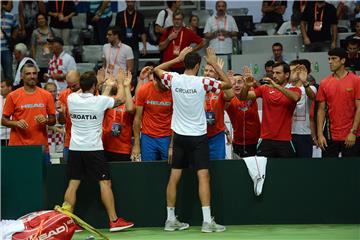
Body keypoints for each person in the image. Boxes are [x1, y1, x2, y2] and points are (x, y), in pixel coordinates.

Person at [153, 47, 232, 232]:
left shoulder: (174, 78)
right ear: (198, 65)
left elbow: (157, 70)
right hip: (197, 137)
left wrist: (176, 59)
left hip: (179, 136)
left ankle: (170, 220)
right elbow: (227, 84)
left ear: (184, 63)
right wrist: (213, 63)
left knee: (174, 176)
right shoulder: (204, 82)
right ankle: (206, 222)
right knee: (203, 176)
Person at [63, 71, 134, 232]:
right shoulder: (99, 101)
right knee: (105, 183)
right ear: (94, 86)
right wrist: (121, 82)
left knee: (73, 184)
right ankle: (114, 221)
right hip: (93, 150)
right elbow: (121, 99)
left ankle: (67, 222)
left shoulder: (71, 99)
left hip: (75, 149)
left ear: (80, 85)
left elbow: (87, 91)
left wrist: (102, 84)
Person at [239, 62, 301, 158]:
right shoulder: (264, 89)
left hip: (284, 140)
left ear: (287, 75)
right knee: (263, 171)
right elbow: (243, 97)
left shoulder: (294, 89)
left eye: (278, 73)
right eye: (273, 73)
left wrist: (276, 86)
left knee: (288, 172)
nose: (274, 76)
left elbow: (295, 98)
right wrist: (247, 86)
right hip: (266, 139)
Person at [1, 63, 56, 164]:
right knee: (18, 178)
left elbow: (53, 120)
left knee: (41, 179)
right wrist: (16, 123)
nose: (32, 76)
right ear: (22, 76)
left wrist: (46, 120)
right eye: (28, 73)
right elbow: (3, 120)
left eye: (34, 73)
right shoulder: (13, 96)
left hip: (40, 147)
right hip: (17, 147)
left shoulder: (47, 95)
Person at [316, 48, 360, 157]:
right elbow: (321, 110)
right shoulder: (324, 83)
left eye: (334, 58)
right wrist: (320, 134)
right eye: (329, 59)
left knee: (351, 171)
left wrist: (353, 132)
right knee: (328, 171)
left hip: (351, 135)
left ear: (343, 61)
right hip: (329, 136)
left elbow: (359, 108)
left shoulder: (356, 80)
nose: (330, 61)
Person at [132, 66, 173, 161]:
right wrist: (137, 145)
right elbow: (137, 118)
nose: (167, 86)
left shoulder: (173, 90)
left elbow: (177, 118)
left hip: (167, 136)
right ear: (155, 79)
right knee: (148, 170)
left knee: (168, 170)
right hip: (148, 137)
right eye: (164, 83)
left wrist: (172, 145)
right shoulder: (144, 90)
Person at [203, 59, 234, 160]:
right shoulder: (198, 86)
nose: (207, 73)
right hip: (200, 134)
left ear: (217, 76)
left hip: (217, 136)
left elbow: (230, 95)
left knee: (218, 165)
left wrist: (220, 75)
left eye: (211, 71)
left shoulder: (220, 89)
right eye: (206, 70)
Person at [102, 69, 135, 162]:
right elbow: (99, 104)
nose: (119, 83)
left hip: (123, 149)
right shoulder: (110, 99)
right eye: (117, 81)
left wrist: (125, 86)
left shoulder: (131, 101)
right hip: (105, 146)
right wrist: (107, 85)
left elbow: (130, 109)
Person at [226, 74, 260, 158]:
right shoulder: (229, 99)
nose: (236, 85)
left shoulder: (251, 94)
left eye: (239, 82)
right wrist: (226, 132)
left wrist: (253, 82)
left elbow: (259, 88)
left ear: (244, 84)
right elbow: (216, 113)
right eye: (233, 83)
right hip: (238, 143)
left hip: (256, 142)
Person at [288, 60, 317, 158]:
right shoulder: (286, 88)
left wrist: (305, 82)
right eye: (291, 71)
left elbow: (312, 96)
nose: (293, 73)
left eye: (295, 70)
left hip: (304, 133)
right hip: (287, 133)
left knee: (304, 165)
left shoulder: (310, 87)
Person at [115, 0, 147, 83]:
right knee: (120, 70)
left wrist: (144, 47)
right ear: (126, 2)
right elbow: (116, 32)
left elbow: (143, 32)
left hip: (134, 47)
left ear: (135, 2)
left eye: (132, 2)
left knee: (133, 71)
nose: (130, 4)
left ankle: (133, 93)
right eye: (128, 2)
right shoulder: (120, 15)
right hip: (121, 47)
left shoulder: (140, 16)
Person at [204, 0, 239, 69]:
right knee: (213, 71)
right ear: (216, 8)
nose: (221, 8)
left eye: (223, 6)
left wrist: (228, 33)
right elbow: (205, 35)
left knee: (227, 71)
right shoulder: (210, 19)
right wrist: (214, 33)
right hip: (214, 51)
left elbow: (236, 32)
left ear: (225, 8)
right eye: (219, 6)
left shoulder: (231, 19)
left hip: (227, 51)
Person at [58, 70, 81, 162]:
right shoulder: (63, 95)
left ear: (80, 80)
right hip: (70, 141)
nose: (71, 88)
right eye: (69, 86)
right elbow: (61, 121)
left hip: (88, 142)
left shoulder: (91, 93)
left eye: (74, 85)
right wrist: (61, 113)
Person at [31, 13, 54, 84]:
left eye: (42, 18)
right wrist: (34, 59)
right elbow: (33, 46)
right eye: (39, 19)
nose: (41, 20)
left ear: (46, 19)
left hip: (50, 60)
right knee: (40, 81)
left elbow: (55, 44)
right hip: (39, 60)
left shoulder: (52, 30)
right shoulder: (35, 32)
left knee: (50, 81)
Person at [1, 1, 17, 82]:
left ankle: (10, 93)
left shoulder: (10, 16)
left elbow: (16, 27)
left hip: (6, 49)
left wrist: (12, 38)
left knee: (9, 74)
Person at [1, 79, 13, 146]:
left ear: (9, 87)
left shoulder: (16, 97)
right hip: (0, 136)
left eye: (2, 87)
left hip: (12, 135)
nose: (0, 89)